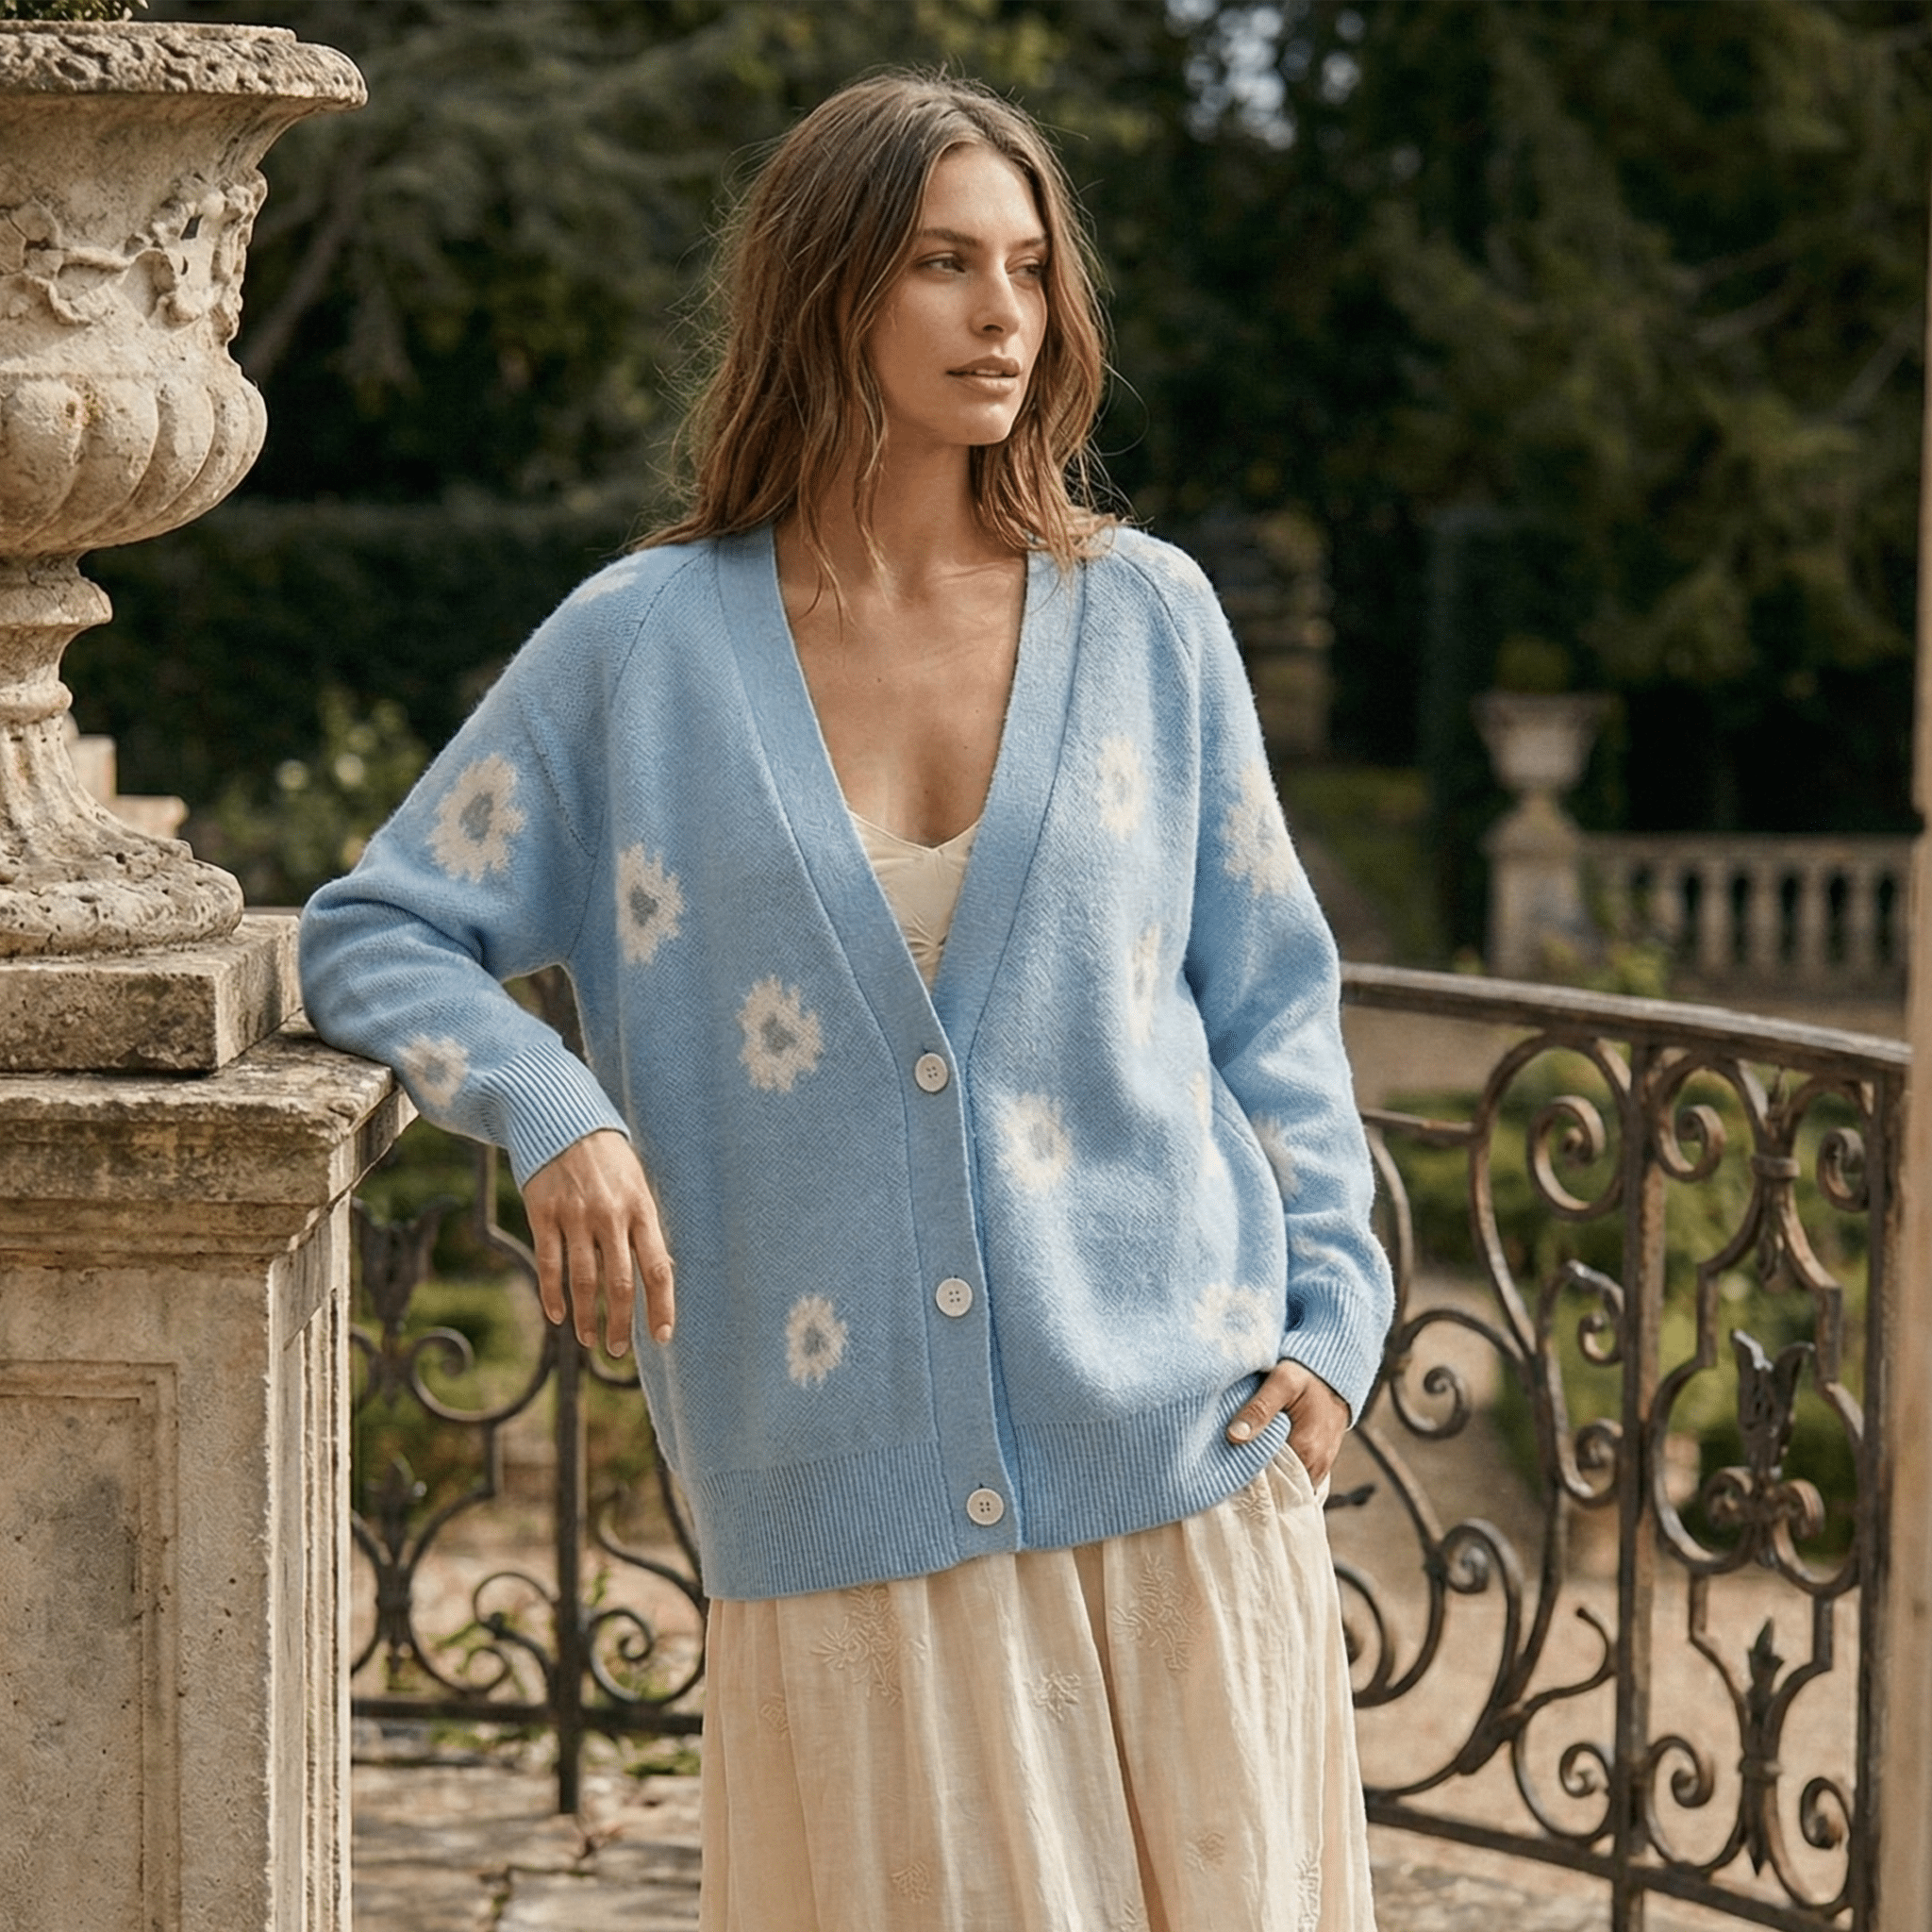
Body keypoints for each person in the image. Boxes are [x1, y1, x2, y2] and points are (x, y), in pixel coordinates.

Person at [301, 69, 1392, 1932]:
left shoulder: (1148, 619)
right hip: (836, 1513)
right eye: (943, 264)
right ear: (827, 294)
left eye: (1030, 270)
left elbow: (1273, 1002)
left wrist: (1335, 1315)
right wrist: (552, 1108)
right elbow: (374, 933)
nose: (1002, 318)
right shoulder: (638, 652)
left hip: (1181, 1463)